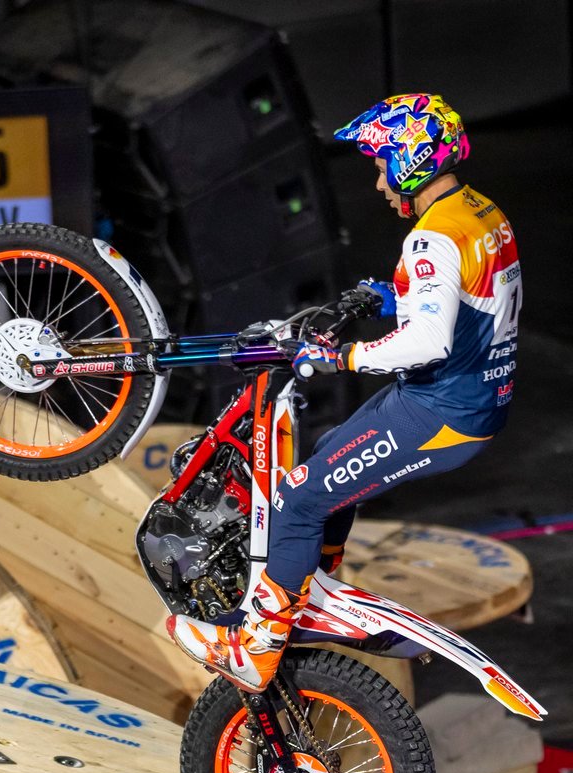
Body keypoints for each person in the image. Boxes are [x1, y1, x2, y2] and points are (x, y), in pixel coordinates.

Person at [168, 92, 522, 692]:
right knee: (331, 447)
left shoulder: (432, 239)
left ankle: (256, 645)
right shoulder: (481, 212)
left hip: (440, 408)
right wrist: (394, 298)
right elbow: (471, 302)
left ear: (411, 160)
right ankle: (307, 586)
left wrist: (342, 357)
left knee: (296, 501)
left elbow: (427, 343)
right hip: (469, 398)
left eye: (382, 165)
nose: (380, 182)